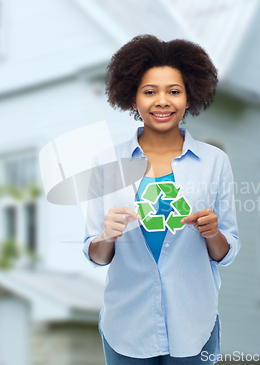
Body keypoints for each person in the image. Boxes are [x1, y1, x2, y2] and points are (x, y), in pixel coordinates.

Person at [83, 34, 241, 364]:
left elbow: (226, 253)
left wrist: (213, 232)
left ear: (189, 97)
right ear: (133, 97)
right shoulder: (107, 163)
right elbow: (96, 255)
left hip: (194, 321)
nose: (162, 101)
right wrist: (105, 236)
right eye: (150, 91)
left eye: (174, 91)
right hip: (127, 323)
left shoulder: (214, 162)